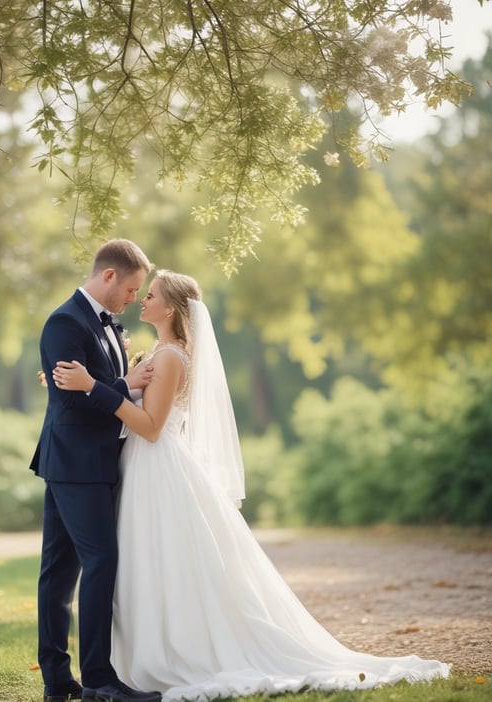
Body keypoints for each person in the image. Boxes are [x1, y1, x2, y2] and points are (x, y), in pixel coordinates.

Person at [52, 270, 451, 702]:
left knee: (162, 560)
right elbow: (133, 403)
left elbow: (150, 427)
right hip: (145, 469)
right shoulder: (162, 354)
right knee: (149, 561)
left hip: (156, 466)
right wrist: (97, 388)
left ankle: (172, 652)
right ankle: (141, 654)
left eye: (149, 295)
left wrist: (93, 387)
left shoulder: (169, 358)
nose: (141, 300)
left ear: (170, 308)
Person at [30, 239, 162, 702]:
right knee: (98, 561)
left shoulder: (108, 323)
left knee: (60, 571)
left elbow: (95, 389)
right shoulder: (65, 322)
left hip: (93, 461)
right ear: (109, 276)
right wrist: (125, 383)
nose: (133, 297)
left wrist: (118, 380)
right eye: (130, 288)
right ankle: (99, 680)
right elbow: (71, 399)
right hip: (76, 463)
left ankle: (58, 681)